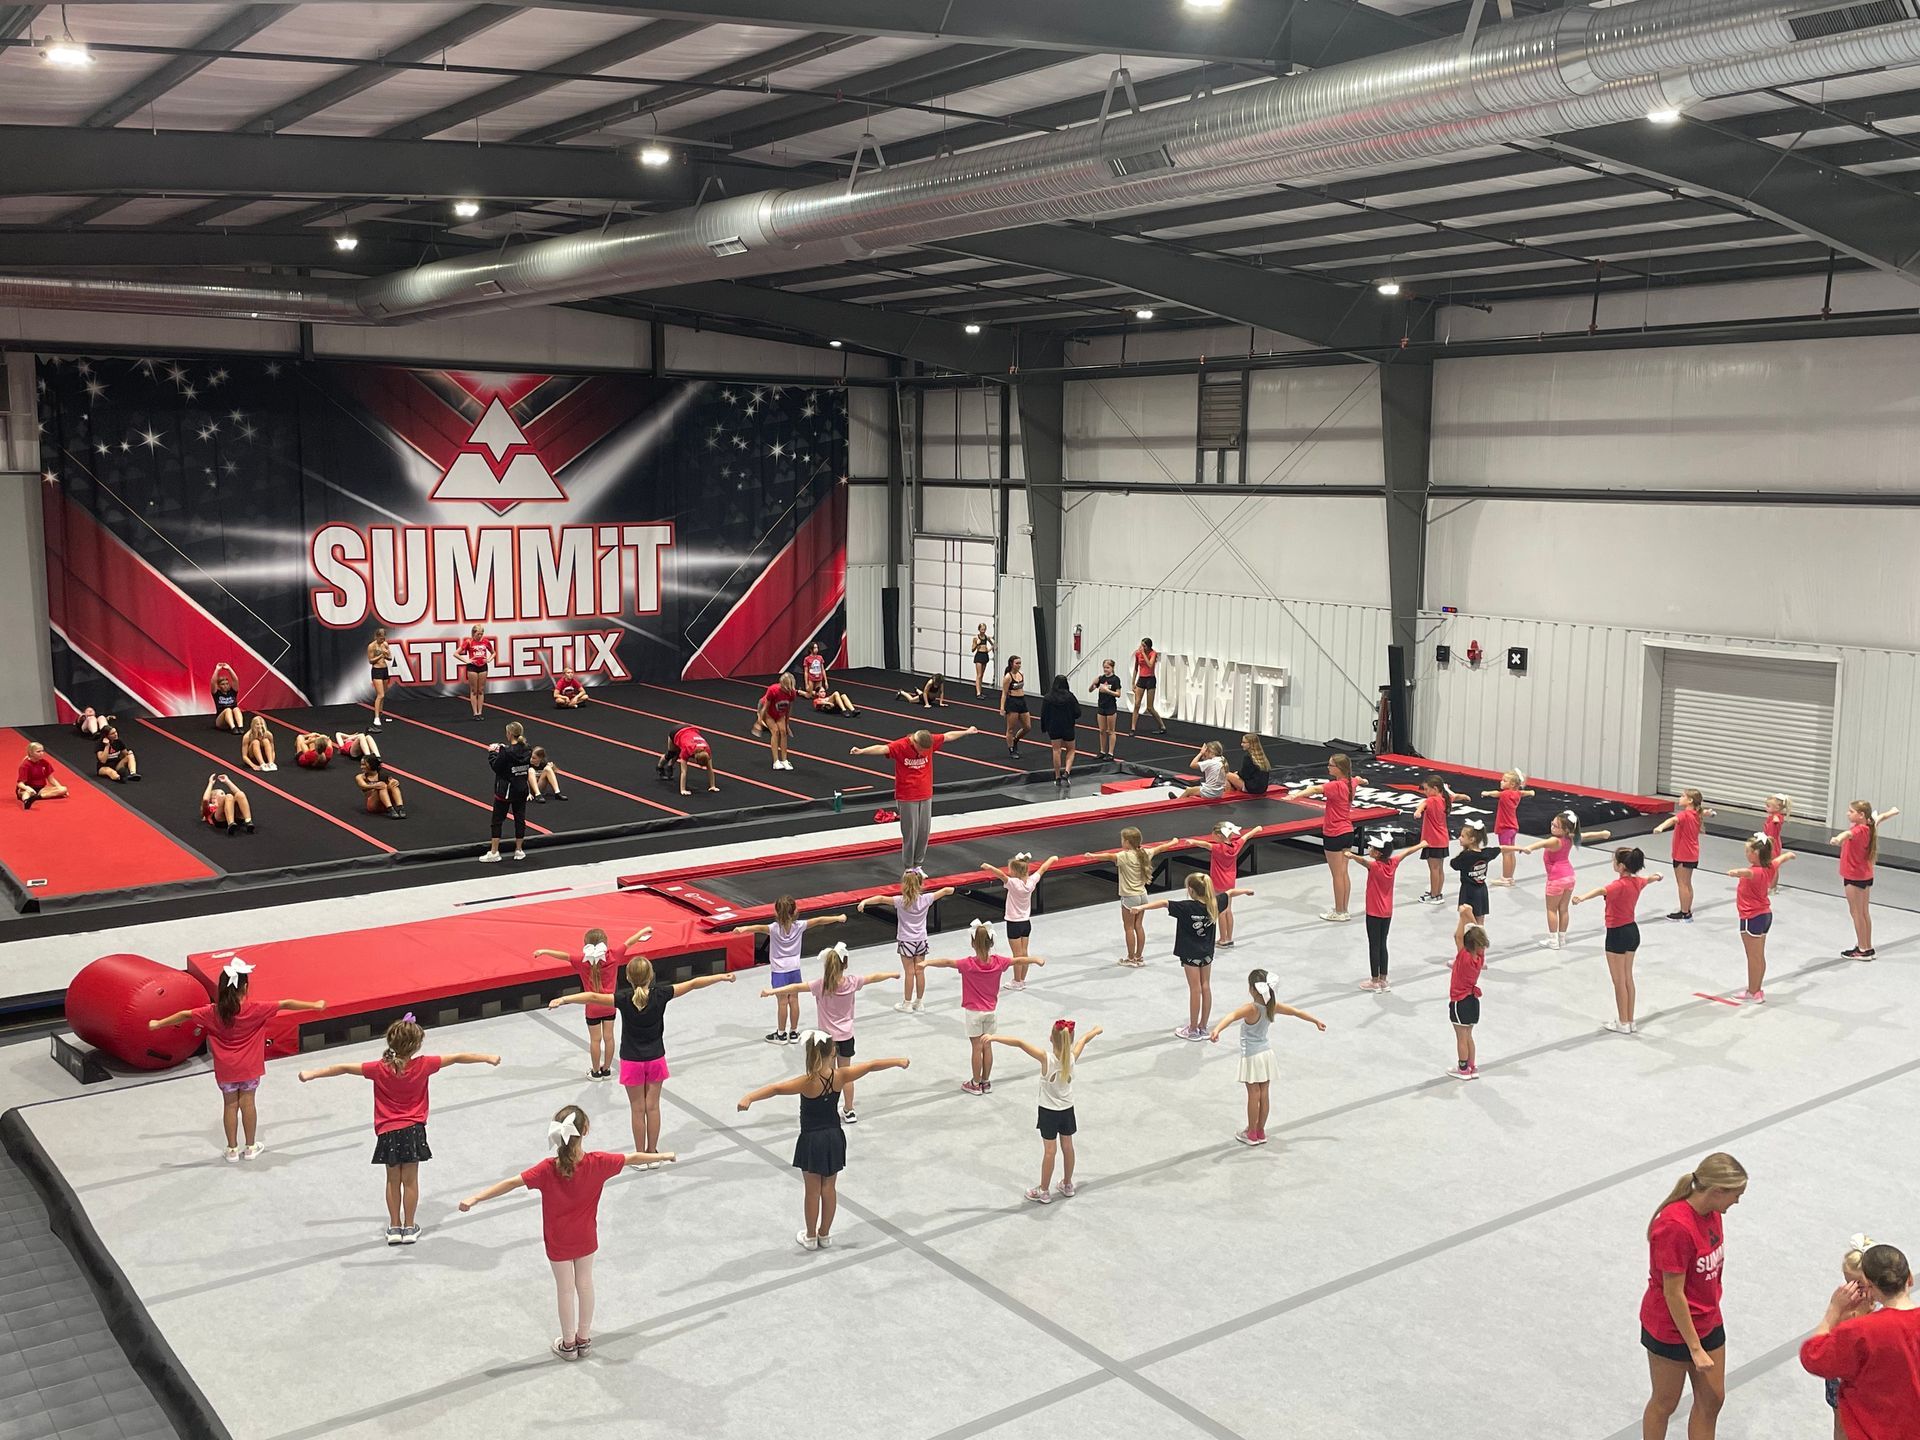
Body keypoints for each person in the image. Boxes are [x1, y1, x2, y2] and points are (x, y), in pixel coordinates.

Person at [457, 1106, 674, 1361]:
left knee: (565, 1290)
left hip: (558, 1240)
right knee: (585, 1284)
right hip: (586, 1237)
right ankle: (584, 1339)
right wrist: (664, 1155)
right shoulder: (599, 1162)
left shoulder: (547, 1169)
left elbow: (511, 1183)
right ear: (585, 1130)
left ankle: (568, 1344)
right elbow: (632, 1158)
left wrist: (476, 1198)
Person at [298, 1016, 500, 1246]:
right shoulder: (424, 1064)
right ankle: (409, 1226)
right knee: (410, 1181)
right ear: (416, 1045)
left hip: (388, 1131)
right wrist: (487, 1057)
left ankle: (395, 1227)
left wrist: (312, 1073)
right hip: (413, 1129)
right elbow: (457, 1057)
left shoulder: (378, 1068)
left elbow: (343, 1068)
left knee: (393, 1180)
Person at [548, 953, 737, 1156]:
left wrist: (564, 999)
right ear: (651, 976)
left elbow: (592, 997)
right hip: (656, 1059)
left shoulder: (623, 999)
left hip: (632, 1061)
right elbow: (693, 983)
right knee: (653, 1107)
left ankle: (640, 1155)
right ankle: (652, 1151)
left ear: (628, 977)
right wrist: (721, 976)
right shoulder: (661, 994)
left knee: (637, 1110)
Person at [737, 1031, 909, 1250]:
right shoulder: (841, 1075)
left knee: (812, 1191)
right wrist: (897, 1061)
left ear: (810, 1054)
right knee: (829, 1188)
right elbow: (871, 1065)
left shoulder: (806, 1082)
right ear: (834, 1052)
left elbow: (776, 1089)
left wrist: (749, 1097)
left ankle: (810, 1236)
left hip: (812, 1139)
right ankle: (825, 1234)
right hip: (834, 1137)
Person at [147, 958, 324, 1162]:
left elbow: (185, 1015)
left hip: (226, 1070)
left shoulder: (212, 1012)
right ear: (245, 988)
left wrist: (158, 1023)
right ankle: (250, 1147)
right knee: (248, 1104)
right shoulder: (256, 1009)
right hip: (249, 1068)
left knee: (230, 1106)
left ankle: (232, 1149)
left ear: (222, 989)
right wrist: (314, 1005)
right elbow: (286, 1003)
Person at [1641, 1154, 1748, 1440]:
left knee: (1712, 1400)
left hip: (1708, 1319)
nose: (1737, 1202)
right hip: (1671, 1329)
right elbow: (1673, 1293)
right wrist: (1695, 1348)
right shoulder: (1675, 1226)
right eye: (1736, 1195)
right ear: (1717, 1191)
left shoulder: (1713, 1214)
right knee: (1665, 1402)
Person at [761, 943, 900, 1124]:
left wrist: (772, 991)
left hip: (827, 1039)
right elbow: (874, 977)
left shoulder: (821, 985)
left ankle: (829, 1110)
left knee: (828, 1075)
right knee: (846, 1075)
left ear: (826, 965)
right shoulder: (852, 982)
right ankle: (849, 1110)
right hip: (846, 1037)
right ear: (845, 965)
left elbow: (795, 987)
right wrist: (892, 974)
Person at [1800, 1241, 1920, 1440]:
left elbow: (1813, 1357)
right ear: (1909, 1278)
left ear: (1870, 1288)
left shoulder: (1860, 1331)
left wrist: (1833, 1311)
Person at [986, 1019, 1102, 1203]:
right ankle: (1068, 1184)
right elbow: (1084, 1040)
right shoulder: (1072, 1057)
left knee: (1050, 1151)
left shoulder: (1046, 1058)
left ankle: (1044, 1190)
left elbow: (1019, 1043)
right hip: (1067, 1109)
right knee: (1068, 1147)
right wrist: (1095, 1030)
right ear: (1069, 1040)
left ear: (1051, 1038)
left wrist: (994, 1038)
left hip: (1049, 1111)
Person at [1207, 969, 1324, 1146]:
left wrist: (1217, 1029)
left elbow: (1231, 1016)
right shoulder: (1273, 1006)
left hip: (1252, 1056)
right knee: (1264, 1093)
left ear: (1252, 990)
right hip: (1266, 1054)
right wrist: (1315, 1021)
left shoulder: (1251, 1008)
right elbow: (1296, 1012)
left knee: (1253, 1095)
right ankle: (1260, 1131)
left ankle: (1251, 1133)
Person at [924, 921, 1041, 1095]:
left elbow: (947, 962)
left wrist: (926, 963)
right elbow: (1018, 959)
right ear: (991, 942)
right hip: (990, 1011)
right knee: (987, 1046)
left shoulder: (968, 964)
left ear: (973, 943)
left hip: (973, 1012)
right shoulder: (999, 962)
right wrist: (1035, 960)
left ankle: (975, 1082)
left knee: (976, 1048)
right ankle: (986, 1081)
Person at [849, 725, 977, 873]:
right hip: (907, 795)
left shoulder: (929, 740)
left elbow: (948, 736)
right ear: (914, 742)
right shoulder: (901, 746)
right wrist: (862, 751)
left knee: (924, 832)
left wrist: (966, 732)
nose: (922, 753)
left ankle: (918, 865)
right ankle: (909, 867)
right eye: (921, 750)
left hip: (925, 793)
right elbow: (882, 748)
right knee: (910, 833)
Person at [531, 926, 651, 1080]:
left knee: (595, 1040)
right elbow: (629, 942)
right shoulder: (613, 956)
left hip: (592, 1008)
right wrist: (643, 931)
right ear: (605, 943)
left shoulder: (582, 961)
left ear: (586, 944)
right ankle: (606, 1070)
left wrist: (544, 951)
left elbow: (564, 956)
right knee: (609, 1038)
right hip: (610, 1004)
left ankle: (595, 1072)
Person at [1142, 873, 1251, 1041]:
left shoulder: (1186, 907)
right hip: (1206, 953)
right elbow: (1229, 893)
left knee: (1195, 989)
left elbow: (1164, 903)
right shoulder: (1214, 904)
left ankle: (1192, 1029)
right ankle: (1203, 1027)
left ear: (1191, 890)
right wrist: (1246, 891)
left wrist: (1141, 908)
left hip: (1190, 953)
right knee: (1205, 986)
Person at [1571, 847, 1663, 1034]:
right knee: (1628, 977)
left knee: (1619, 981)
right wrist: (1658, 876)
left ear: (1621, 866)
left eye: (1614, 861)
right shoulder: (1638, 882)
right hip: (1632, 931)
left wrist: (1582, 897)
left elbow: (1601, 890)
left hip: (1617, 933)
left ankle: (1623, 1022)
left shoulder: (1618, 885)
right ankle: (1630, 1020)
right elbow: (1649, 879)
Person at [730, 899, 845, 1044]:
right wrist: (838, 918)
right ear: (795, 911)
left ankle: (781, 1034)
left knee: (782, 1002)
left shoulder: (773, 928)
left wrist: (743, 928)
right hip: (794, 969)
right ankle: (794, 1032)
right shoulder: (800, 926)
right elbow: (819, 920)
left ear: (777, 912)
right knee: (794, 1000)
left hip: (779, 971)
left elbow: (757, 928)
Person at [857, 870, 954, 1013]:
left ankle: (907, 1004)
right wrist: (954, 889)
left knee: (909, 972)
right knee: (920, 971)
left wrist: (864, 902)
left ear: (904, 885)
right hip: (921, 939)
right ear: (920, 884)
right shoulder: (926, 899)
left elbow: (881, 899)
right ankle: (919, 1002)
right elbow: (946, 890)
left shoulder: (900, 901)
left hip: (906, 940)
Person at [1089, 826, 1185, 967]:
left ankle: (1130, 958)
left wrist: (1092, 856)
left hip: (1130, 897)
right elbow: (1161, 848)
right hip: (1142, 895)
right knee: (1138, 926)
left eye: (1122, 840)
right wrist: (1173, 842)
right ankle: (1139, 957)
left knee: (1129, 928)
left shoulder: (1124, 856)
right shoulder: (1145, 852)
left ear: (1127, 842)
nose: (1121, 842)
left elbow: (1109, 856)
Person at [1517, 810, 1612, 950]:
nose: (1552, 827)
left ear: (1565, 830)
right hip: (1570, 877)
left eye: (1555, 826)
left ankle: (1553, 940)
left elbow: (1542, 843)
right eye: (1552, 824)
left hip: (1556, 879)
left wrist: (1529, 848)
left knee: (1551, 910)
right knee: (1563, 909)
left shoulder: (1554, 840)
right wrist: (1602, 834)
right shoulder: (1570, 837)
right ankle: (1561, 939)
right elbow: (1587, 835)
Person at [1288, 753, 1359, 921]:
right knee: (1344, 872)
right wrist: (1363, 781)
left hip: (1334, 833)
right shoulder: (1351, 782)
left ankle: (1339, 911)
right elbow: (1359, 779)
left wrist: (1295, 795)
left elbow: (1314, 789)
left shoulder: (1336, 786)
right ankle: (1344, 909)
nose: (1328, 767)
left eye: (1331, 765)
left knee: (1337, 875)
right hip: (1348, 831)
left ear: (1339, 768)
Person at [1351, 830, 1421, 992]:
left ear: (1378, 853)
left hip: (1374, 912)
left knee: (1374, 945)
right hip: (1387, 912)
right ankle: (1383, 979)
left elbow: (1362, 861)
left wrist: (1350, 855)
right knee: (1383, 944)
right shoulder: (1393, 863)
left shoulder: (1374, 866)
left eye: (1371, 848)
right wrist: (1422, 844)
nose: (1369, 849)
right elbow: (1406, 852)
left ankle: (1374, 981)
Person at [1729, 833, 1795, 1003]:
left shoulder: (1754, 871)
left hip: (1751, 916)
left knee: (1753, 957)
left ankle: (1753, 992)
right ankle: (1756, 990)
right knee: (1759, 955)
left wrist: (1736, 872)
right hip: (1765, 915)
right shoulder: (1769, 867)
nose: (1746, 854)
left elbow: (1746, 873)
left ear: (1756, 854)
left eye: (1748, 851)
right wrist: (1788, 855)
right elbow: (1779, 860)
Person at [1833, 799, 1900, 959]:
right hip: (1865, 875)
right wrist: (1893, 811)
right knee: (1863, 913)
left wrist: (1838, 838)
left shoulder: (1859, 830)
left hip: (1854, 876)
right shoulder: (1870, 825)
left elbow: (1847, 834)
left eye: (1851, 811)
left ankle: (1863, 949)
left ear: (1861, 815)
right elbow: (1881, 817)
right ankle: (1866, 945)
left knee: (1856, 913)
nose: (1847, 814)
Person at [983, 852, 1058, 989]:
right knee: (1024, 952)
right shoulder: (1031, 881)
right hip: (1026, 922)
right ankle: (1022, 979)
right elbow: (1042, 869)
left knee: (1017, 956)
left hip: (1014, 923)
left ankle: (1017, 981)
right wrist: (1052, 859)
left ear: (1015, 871)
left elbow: (1001, 875)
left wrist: (989, 867)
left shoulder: (1013, 883)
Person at [1654, 789, 1713, 923]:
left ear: (1690, 800)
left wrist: (1660, 827)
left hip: (1683, 854)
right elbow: (1703, 812)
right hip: (1692, 853)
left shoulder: (1685, 814)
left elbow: (1672, 820)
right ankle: (1687, 910)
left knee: (1682, 884)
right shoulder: (1696, 813)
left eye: (1682, 796)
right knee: (1687, 883)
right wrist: (1709, 813)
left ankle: (1684, 913)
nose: (1679, 798)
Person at [1206, 820, 1265, 948]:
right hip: (1230, 881)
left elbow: (1204, 845)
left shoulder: (1218, 848)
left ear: (1219, 835)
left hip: (1218, 882)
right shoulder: (1236, 845)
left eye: (1213, 834)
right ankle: (1229, 938)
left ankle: (1222, 939)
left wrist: (1192, 842)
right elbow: (1246, 836)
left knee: (1221, 911)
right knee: (1228, 910)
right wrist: (1257, 829)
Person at [482, 720, 533, 863]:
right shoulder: (527, 749)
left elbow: (497, 767)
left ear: (509, 734)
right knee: (520, 819)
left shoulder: (507, 752)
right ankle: (519, 850)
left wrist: (492, 753)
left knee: (497, 820)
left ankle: (494, 852)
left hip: (506, 791)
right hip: (521, 788)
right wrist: (503, 749)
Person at [1416, 774, 1469, 903]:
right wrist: (1465, 797)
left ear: (1435, 788)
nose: (1425, 792)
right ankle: (1437, 893)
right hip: (1442, 840)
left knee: (1434, 869)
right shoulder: (1445, 798)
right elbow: (1456, 796)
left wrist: (1418, 811)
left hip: (1432, 841)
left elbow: (1422, 804)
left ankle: (1434, 896)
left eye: (1426, 789)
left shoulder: (1432, 800)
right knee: (1439, 869)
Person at [1449, 905, 1488, 1080]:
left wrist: (1463, 916)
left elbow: (1457, 936)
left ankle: (1463, 1068)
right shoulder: (1479, 957)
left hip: (1460, 1000)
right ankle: (1472, 1066)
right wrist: (1469, 916)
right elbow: (1479, 936)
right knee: (1469, 1035)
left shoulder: (1463, 957)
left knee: (1461, 1037)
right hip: (1473, 1001)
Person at [1481, 768, 1536, 886]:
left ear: (1512, 784)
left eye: (1504, 780)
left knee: (1506, 853)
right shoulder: (1517, 794)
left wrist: (1487, 793)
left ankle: (1505, 878)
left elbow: (1496, 793)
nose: (1501, 782)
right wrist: (1531, 792)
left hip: (1505, 827)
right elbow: (1523, 793)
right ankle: (1510, 877)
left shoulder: (1505, 794)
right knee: (1511, 852)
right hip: (1513, 826)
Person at [1449, 822, 1501, 925]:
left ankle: (1473, 934)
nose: (1459, 838)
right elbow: (1502, 848)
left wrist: (1464, 851)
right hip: (1482, 890)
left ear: (1472, 839)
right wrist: (1522, 849)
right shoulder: (1486, 853)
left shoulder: (1465, 856)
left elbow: (1453, 864)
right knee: (1480, 920)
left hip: (1468, 891)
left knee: (1467, 921)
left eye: (1462, 836)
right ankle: (1480, 934)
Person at [1039, 674, 1081, 785]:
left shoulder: (1048, 698)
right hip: (1067, 726)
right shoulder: (1070, 697)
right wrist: (1071, 716)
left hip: (1054, 727)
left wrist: (1044, 727)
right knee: (1071, 750)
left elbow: (1044, 714)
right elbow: (1078, 712)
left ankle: (1057, 777)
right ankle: (1066, 773)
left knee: (1056, 750)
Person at [655, 724, 718, 796]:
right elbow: (683, 771)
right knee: (671, 753)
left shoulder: (707, 751)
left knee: (678, 752)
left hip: (689, 729)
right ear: (696, 760)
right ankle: (659, 767)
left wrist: (712, 786)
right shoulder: (687, 750)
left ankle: (670, 766)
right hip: (676, 732)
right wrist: (683, 790)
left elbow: (710, 769)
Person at [753, 672, 798, 772]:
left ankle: (785, 760)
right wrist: (759, 722)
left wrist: (787, 723)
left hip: (779, 712)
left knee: (783, 732)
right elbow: (765, 707)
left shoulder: (792, 693)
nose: (788, 691)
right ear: (782, 685)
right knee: (775, 731)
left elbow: (789, 708)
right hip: (767, 711)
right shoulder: (773, 690)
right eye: (786, 689)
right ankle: (776, 761)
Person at [455, 623, 495, 720]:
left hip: (483, 666)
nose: (480, 636)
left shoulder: (486, 642)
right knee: (474, 690)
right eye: (478, 634)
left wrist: (489, 659)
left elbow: (493, 652)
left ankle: (480, 712)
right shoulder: (469, 642)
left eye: (481, 634)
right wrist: (466, 661)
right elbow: (456, 653)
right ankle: (475, 713)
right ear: (473, 633)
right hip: (472, 667)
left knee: (480, 690)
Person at [1086, 659, 1123, 760]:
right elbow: (1090, 690)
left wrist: (1107, 691)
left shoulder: (1115, 679)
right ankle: (1102, 751)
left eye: (1108, 667)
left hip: (1110, 707)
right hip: (1101, 706)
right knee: (1102, 730)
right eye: (1104, 667)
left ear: (1112, 668)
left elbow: (1118, 694)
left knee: (1111, 731)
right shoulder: (1101, 678)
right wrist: (1093, 683)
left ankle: (1110, 753)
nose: (1105, 669)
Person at [15, 741, 66, 810]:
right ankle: (26, 801)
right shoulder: (25, 765)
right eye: (38, 752)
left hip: (41, 789)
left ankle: (37, 797)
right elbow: (20, 784)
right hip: (26, 788)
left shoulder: (45, 763)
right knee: (26, 794)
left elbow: (51, 779)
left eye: (42, 751)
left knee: (63, 789)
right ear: (31, 753)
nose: (41, 753)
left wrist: (60, 788)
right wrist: (28, 788)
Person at [1130, 638, 1165, 734]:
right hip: (1141, 679)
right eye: (1141, 645)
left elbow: (1150, 664)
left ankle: (1162, 726)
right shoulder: (1138, 654)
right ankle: (1133, 728)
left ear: (1148, 647)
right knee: (1137, 704)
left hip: (1150, 679)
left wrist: (1144, 653)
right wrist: (1133, 682)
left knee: (1150, 707)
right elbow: (1136, 668)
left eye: (1144, 646)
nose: (1142, 647)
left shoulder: (1153, 653)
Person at [1760, 792, 1792, 893]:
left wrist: (1776, 820)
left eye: (1768, 806)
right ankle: (1767, 883)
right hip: (1767, 841)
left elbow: (1777, 822)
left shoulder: (1777, 817)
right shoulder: (1771, 817)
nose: (1766, 808)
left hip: (1773, 844)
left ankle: (1773, 887)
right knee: (1766, 864)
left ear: (1777, 807)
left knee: (1773, 865)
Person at [1000, 656, 1031, 757]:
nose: (1019, 665)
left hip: (1022, 701)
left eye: (1020, 663)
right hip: (1012, 702)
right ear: (1011, 664)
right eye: (1017, 663)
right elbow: (1004, 693)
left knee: (1027, 727)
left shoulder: (1021, 674)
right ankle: (1011, 749)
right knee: (1010, 729)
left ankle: (1016, 740)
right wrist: (1002, 707)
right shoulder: (1008, 677)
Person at [367, 627, 393, 728]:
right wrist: (380, 655)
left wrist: (386, 654)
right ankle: (376, 717)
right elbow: (370, 661)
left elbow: (390, 658)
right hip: (376, 671)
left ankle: (381, 714)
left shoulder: (385, 644)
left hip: (384, 670)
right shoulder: (371, 646)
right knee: (380, 695)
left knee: (384, 694)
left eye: (384, 638)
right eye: (381, 638)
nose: (383, 640)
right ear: (376, 637)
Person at [210, 663, 244, 732]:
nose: (225, 686)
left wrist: (229, 669)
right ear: (219, 686)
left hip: (233, 718)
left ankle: (240, 727)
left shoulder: (232, 692)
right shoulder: (217, 693)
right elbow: (213, 682)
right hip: (221, 721)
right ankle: (233, 728)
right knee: (228, 710)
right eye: (223, 684)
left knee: (236, 708)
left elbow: (235, 680)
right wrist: (217, 670)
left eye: (227, 684)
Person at [969, 623, 993, 696]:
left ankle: (980, 691)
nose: (983, 631)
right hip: (979, 656)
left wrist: (988, 650)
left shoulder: (986, 637)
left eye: (984, 629)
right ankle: (978, 692)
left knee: (982, 675)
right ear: (979, 629)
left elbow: (993, 644)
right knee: (979, 675)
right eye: (982, 629)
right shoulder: (976, 638)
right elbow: (972, 649)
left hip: (985, 655)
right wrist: (977, 644)